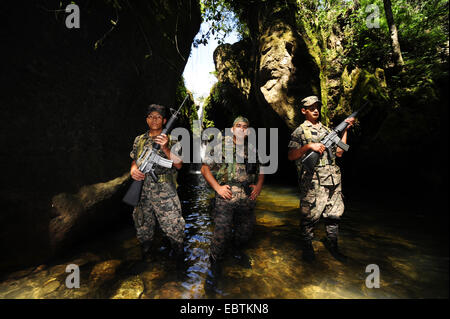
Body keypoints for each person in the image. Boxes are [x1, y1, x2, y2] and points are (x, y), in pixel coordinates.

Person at [288, 96, 354, 262]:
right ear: (304, 111)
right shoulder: (299, 131)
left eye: (317, 107)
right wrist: (309, 146)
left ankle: (333, 246)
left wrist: (345, 129)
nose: (316, 110)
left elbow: (340, 151)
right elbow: (291, 156)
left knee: (334, 215)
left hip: (333, 180)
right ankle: (307, 246)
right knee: (310, 216)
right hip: (313, 182)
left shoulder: (327, 130)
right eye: (311, 108)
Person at [201, 116, 265, 278]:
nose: (241, 129)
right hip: (226, 197)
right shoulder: (221, 146)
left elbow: (262, 168)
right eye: (238, 126)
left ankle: (237, 254)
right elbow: (205, 169)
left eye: (245, 126)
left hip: (247, 198)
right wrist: (218, 188)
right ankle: (215, 264)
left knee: (245, 232)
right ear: (232, 129)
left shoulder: (252, 148)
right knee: (221, 234)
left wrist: (258, 185)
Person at [129, 104, 185, 263]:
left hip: (165, 192)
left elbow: (179, 164)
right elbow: (134, 159)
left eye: (158, 117)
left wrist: (166, 148)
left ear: (164, 120)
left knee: (174, 228)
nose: (154, 119)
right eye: (151, 116)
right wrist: (133, 170)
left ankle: (179, 265)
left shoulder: (172, 140)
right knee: (143, 228)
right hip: (142, 192)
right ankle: (146, 260)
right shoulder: (139, 140)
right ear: (147, 119)